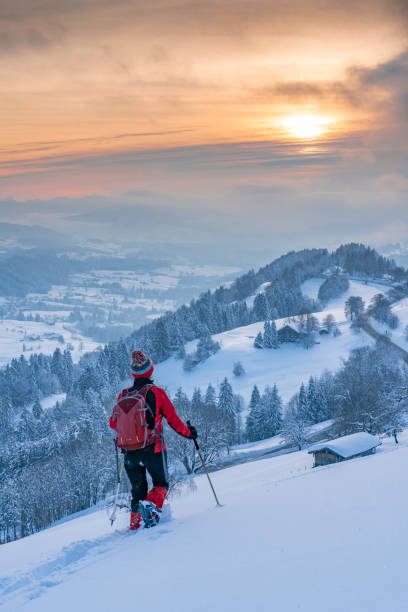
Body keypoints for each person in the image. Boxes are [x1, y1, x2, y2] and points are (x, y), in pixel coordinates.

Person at [109, 350, 197, 530]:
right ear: (151, 369)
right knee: (161, 484)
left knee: (138, 491)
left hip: (128, 452)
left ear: (133, 373)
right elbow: (174, 421)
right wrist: (190, 434)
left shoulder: (123, 395)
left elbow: (113, 423)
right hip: (153, 449)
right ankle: (150, 510)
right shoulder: (157, 393)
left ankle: (135, 526)